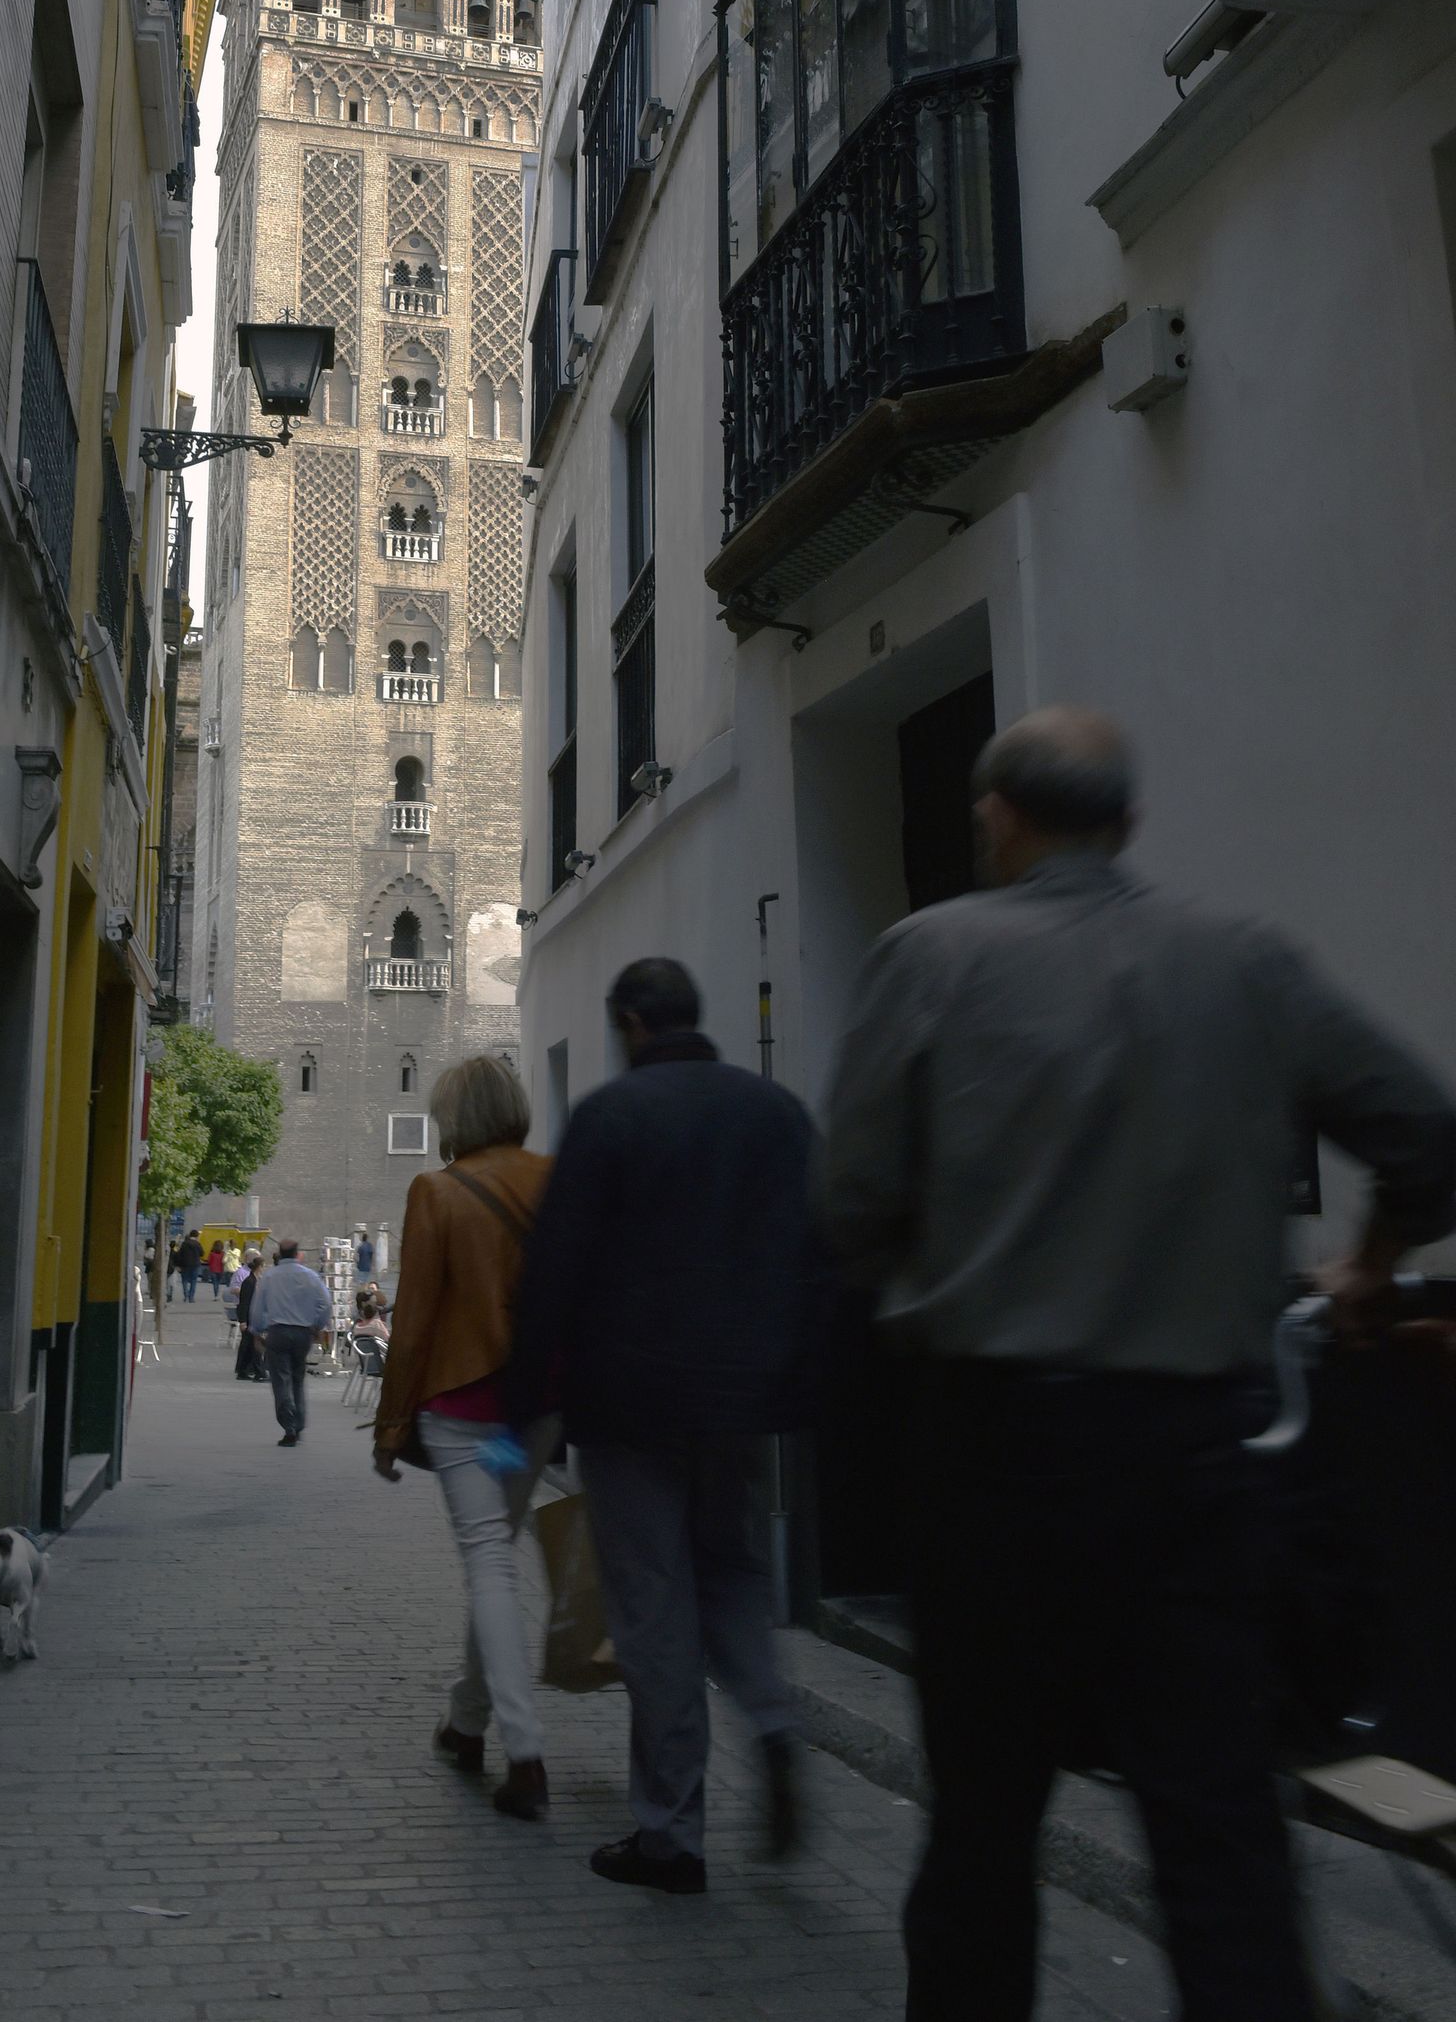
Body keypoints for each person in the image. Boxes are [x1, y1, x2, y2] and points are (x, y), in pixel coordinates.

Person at [822, 706, 1456, 2022]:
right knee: (1219, 1839)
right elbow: (1425, 1137)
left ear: (997, 815)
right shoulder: (1244, 959)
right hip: (1195, 1464)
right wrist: (1370, 1265)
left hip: (989, 1453)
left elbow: (850, 1207)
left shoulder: (929, 954)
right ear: (1130, 822)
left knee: (982, 1832)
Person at [507, 958, 820, 1894]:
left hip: (630, 1402)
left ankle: (671, 1832)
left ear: (632, 1024)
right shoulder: (776, 1114)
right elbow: (820, 1252)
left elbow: (554, 1270)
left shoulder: (610, 1118)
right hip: (743, 1403)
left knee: (654, 1608)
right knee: (733, 1576)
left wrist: (529, 1403)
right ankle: (774, 1720)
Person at [373, 1056, 556, 1824]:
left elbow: (414, 1320)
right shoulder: (554, 1178)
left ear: (451, 1116)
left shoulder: (436, 1191)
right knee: (496, 1559)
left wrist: (389, 1428)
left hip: (464, 1411)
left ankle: (525, 1751)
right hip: (531, 1416)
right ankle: (467, 1721)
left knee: (489, 1564)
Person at [248, 1240, 332, 1443]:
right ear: (297, 1254)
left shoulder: (269, 1277)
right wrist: (317, 1325)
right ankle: (299, 1422)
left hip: (278, 1332)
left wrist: (257, 1331)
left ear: (280, 1253)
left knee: (281, 1379)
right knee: (297, 1377)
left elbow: (258, 1308)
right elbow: (326, 1304)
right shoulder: (310, 1276)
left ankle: (289, 1424)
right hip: (303, 1333)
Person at [234, 1255, 266, 1382]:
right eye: (263, 1266)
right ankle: (258, 1372)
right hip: (249, 1318)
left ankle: (243, 1370)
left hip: (253, 1318)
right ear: (259, 1267)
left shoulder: (255, 1280)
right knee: (253, 1345)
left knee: (248, 1346)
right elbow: (245, 1302)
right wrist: (243, 1321)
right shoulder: (249, 1282)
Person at [174, 1229, 205, 1302]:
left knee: (184, 1280)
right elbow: (202, 1253)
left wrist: (178, 1264)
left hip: (185, 1264)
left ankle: (186, 1295)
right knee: (193, 1281)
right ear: (197, 1236)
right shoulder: (197, 1244)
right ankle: (191, 1297)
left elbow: (180, 1254)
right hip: (195, 1264)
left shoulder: (184, 1244)